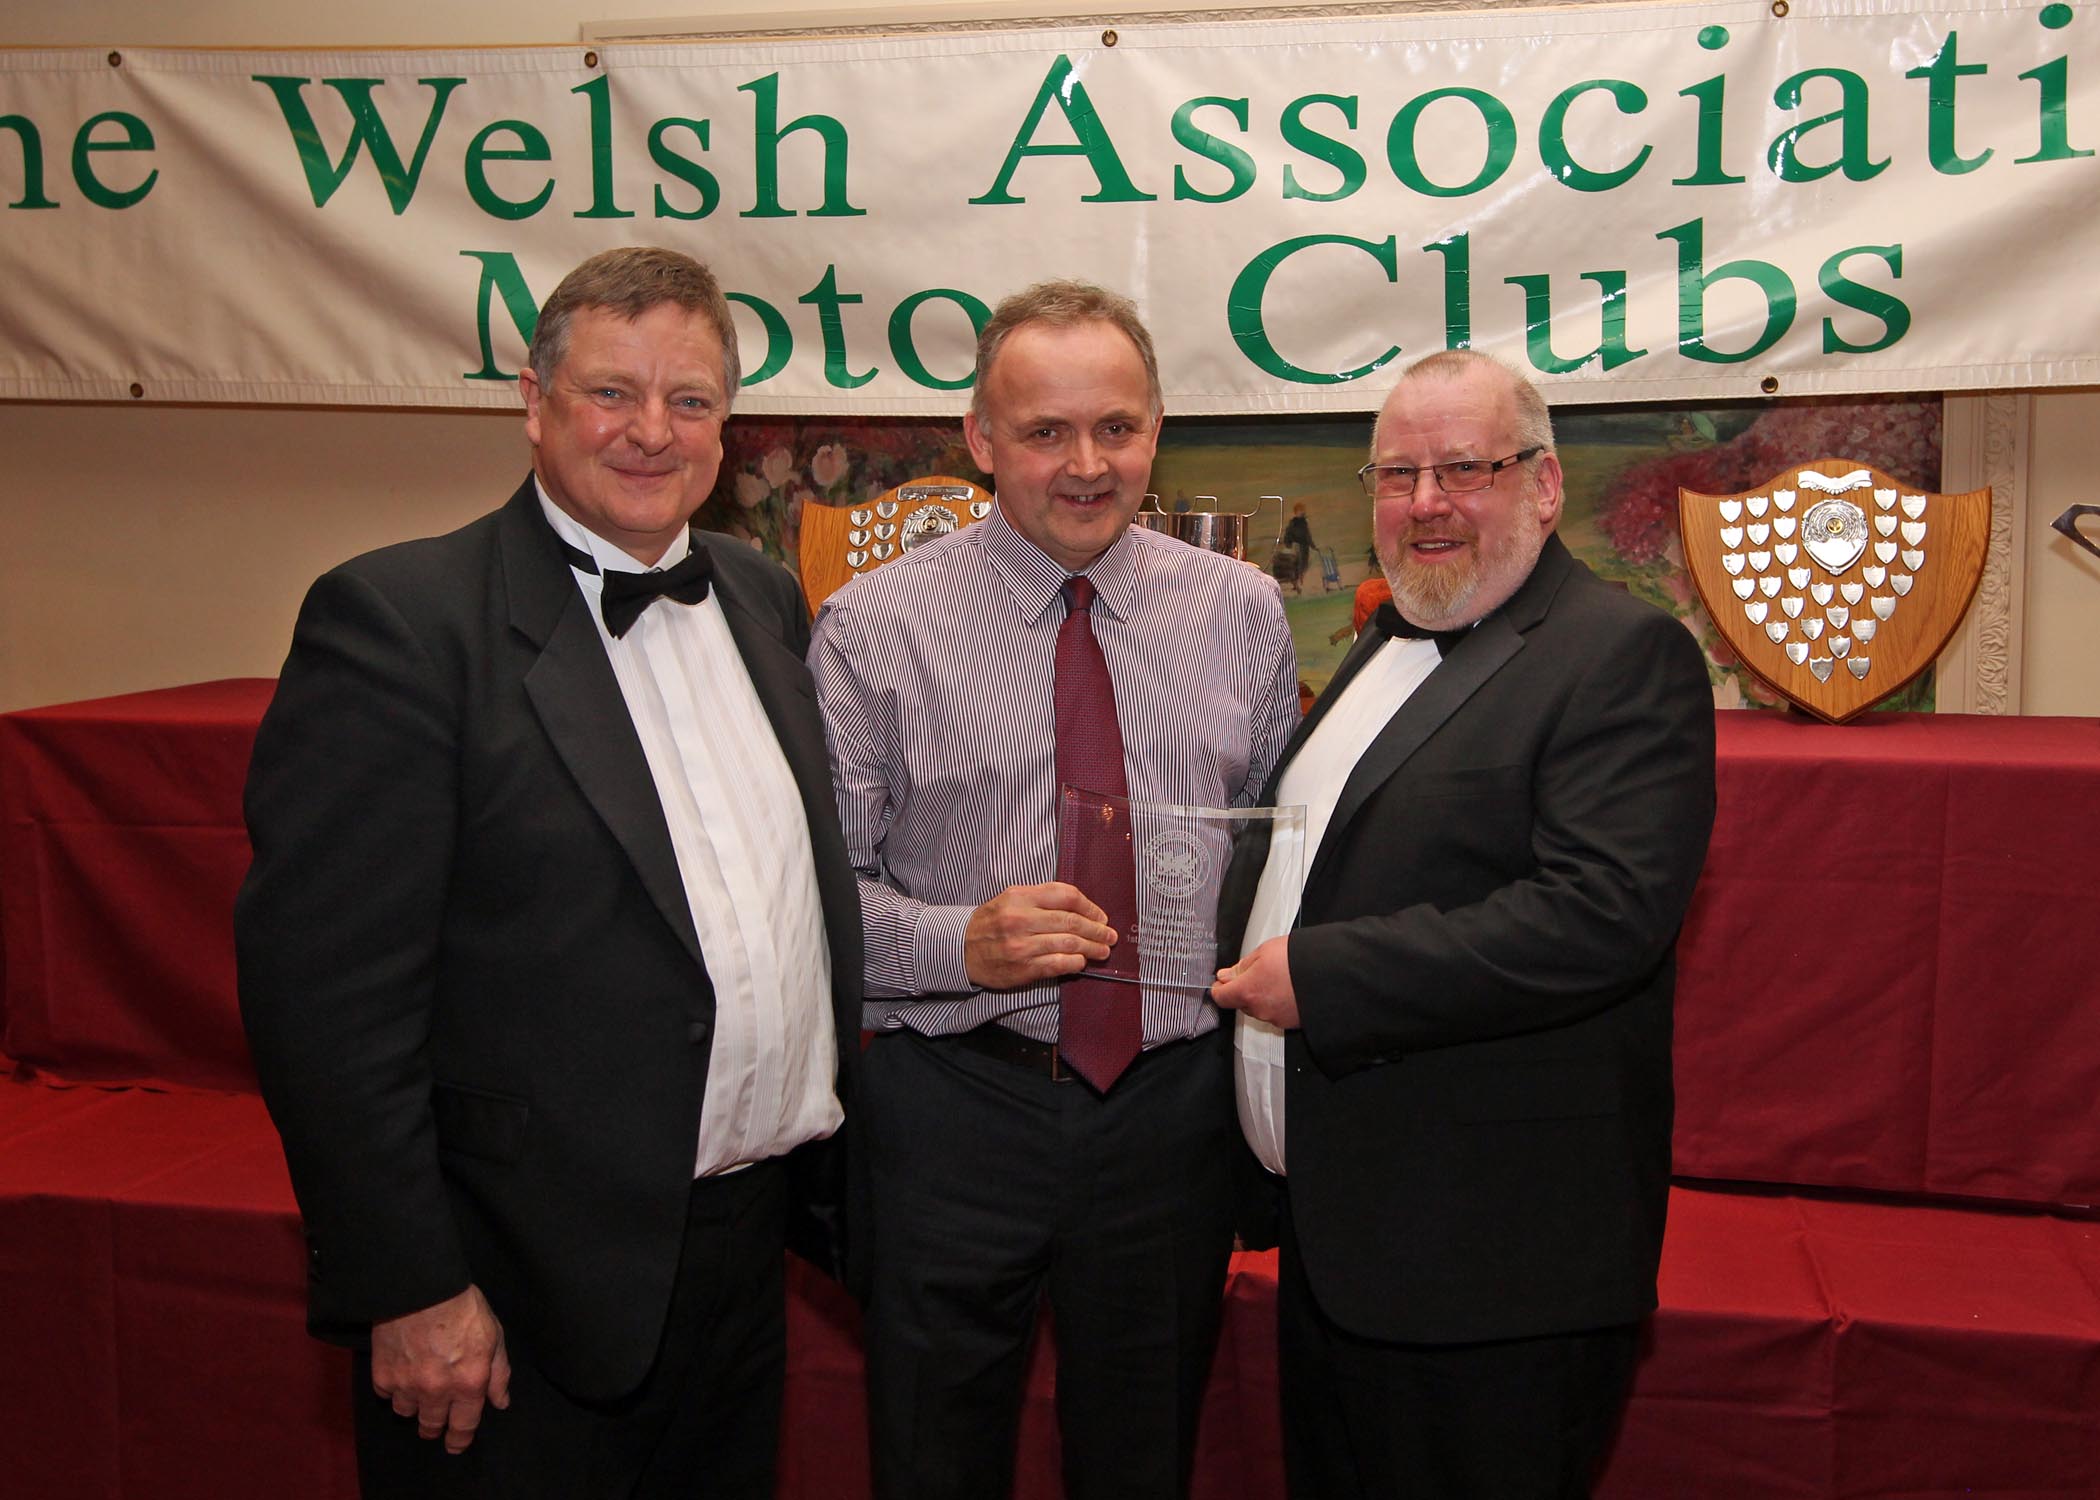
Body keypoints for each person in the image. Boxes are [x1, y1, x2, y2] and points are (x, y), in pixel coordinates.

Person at [236, 246, 861, 1499]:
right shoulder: (400, 623)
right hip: (514, 1287)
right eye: (610, 392)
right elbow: (326, 1003)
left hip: (743, 1259)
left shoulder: (759, 597)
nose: (651, 431)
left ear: (727, 427)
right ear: (534, 402)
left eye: (689, 400)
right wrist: (411, 1284)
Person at [808, 280, 1299, 1499]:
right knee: (932, 1459)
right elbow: (814, 904)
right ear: (980, 439)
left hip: (1168, 1118)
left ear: (1156, 430)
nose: (1087, 465)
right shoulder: (871, 629)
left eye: (1116, 428)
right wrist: (956, 943)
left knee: (1143, 1461)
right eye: (1045, 432)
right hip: (952, 1108)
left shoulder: (1243, 613)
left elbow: (1277, 860)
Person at [1212, 349, 1716, 1499]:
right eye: (1398, 474)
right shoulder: (1384, 643)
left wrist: (1327, 978)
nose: (1426, 501)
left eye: (1464, 469)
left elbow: (1601, 915)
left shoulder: (1620, 654)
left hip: (1493, 1276)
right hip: (1345, 1250)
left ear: (1543, 485)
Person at [1279, 500, 1317, 593]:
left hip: (1304, 546)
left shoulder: (1304, 522)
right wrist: (1288, 543)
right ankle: (1298, 583)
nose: (1302, 512)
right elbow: (1288, 533)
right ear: (1296, 512)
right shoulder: (1293, 522)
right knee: (1298, 565)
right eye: (1300, 510)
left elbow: (1307, 534)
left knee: (1304, 564)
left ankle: (1300, 581)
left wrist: (1312, 545)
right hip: (1297, 546)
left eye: (1303, 510)